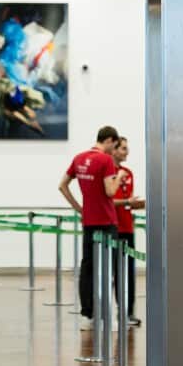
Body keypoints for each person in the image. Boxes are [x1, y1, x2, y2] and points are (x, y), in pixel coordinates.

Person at [59, 126, 124, 331]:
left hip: (89, 222)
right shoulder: (105, 161)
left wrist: (80, 209)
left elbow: (62, 186)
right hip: (106, 223)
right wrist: (120, 177)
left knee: (87, 269)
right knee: (109, 270)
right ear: (110, 140)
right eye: (115, 145)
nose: (115, 150)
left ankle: (88, 315)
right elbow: (110, 191)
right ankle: (107, 317)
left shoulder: (79, 158)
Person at [112, 137, 145, 327]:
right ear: (114, 150)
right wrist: (127, 202)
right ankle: (109, 312)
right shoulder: (110, 174)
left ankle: (128, 312)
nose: (127, 152)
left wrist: (135, 204)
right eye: (123, 148)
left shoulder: (129, 173)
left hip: (127, 228)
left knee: (128, 273)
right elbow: (108, 201)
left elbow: (126, 201)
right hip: (113, 229)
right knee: (112, 272)